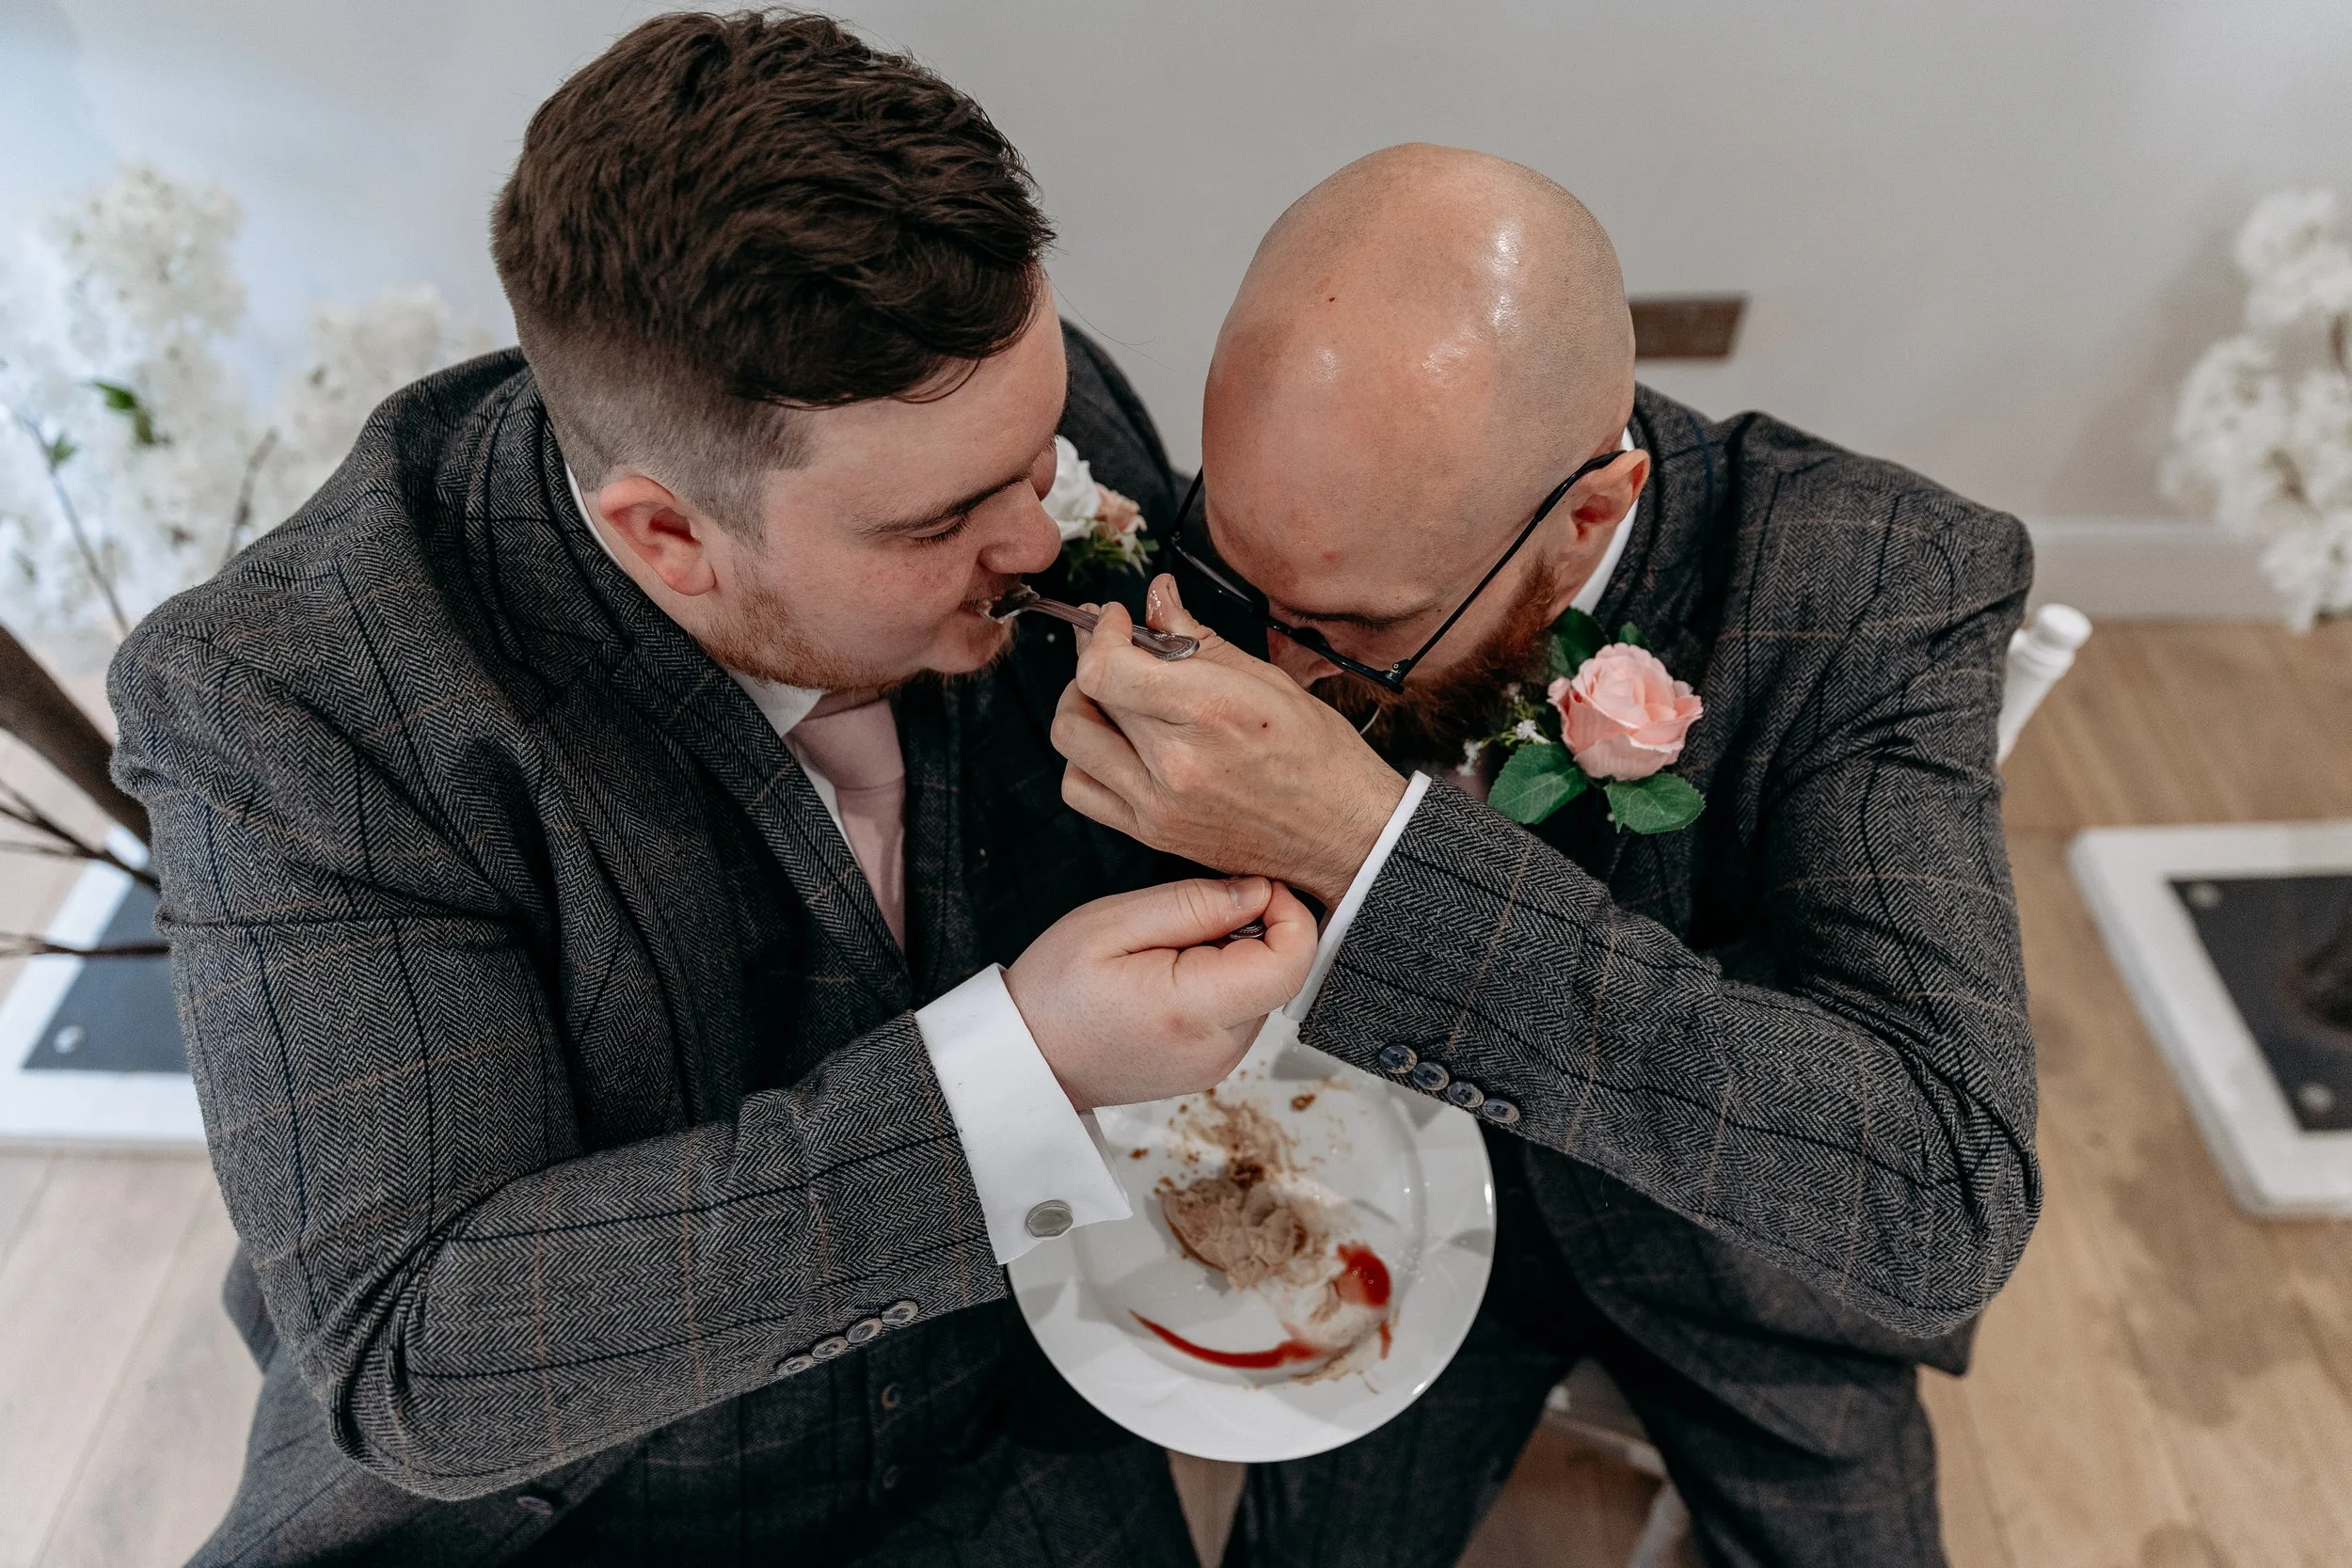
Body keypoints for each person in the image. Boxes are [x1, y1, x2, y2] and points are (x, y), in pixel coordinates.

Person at [106, 13, 1315, 1564]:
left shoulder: (1011, 443)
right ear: (666, 534)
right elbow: (417, 1353)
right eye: (948, 518)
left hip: (1013, 1402)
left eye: (1041, 452)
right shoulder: (297, 702)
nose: (1038, 534)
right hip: (590, 1498)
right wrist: (1021, 1074)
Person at [1052, 144, 2041, 1567]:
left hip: (1738, 1266)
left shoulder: (1873, 581)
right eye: (1241, 580)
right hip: (1385, 1206)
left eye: (1347, 626)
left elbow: (1946, 1190)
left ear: (1585, 520)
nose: (1278, 671)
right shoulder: (1311, 504)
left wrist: (1365, 842)